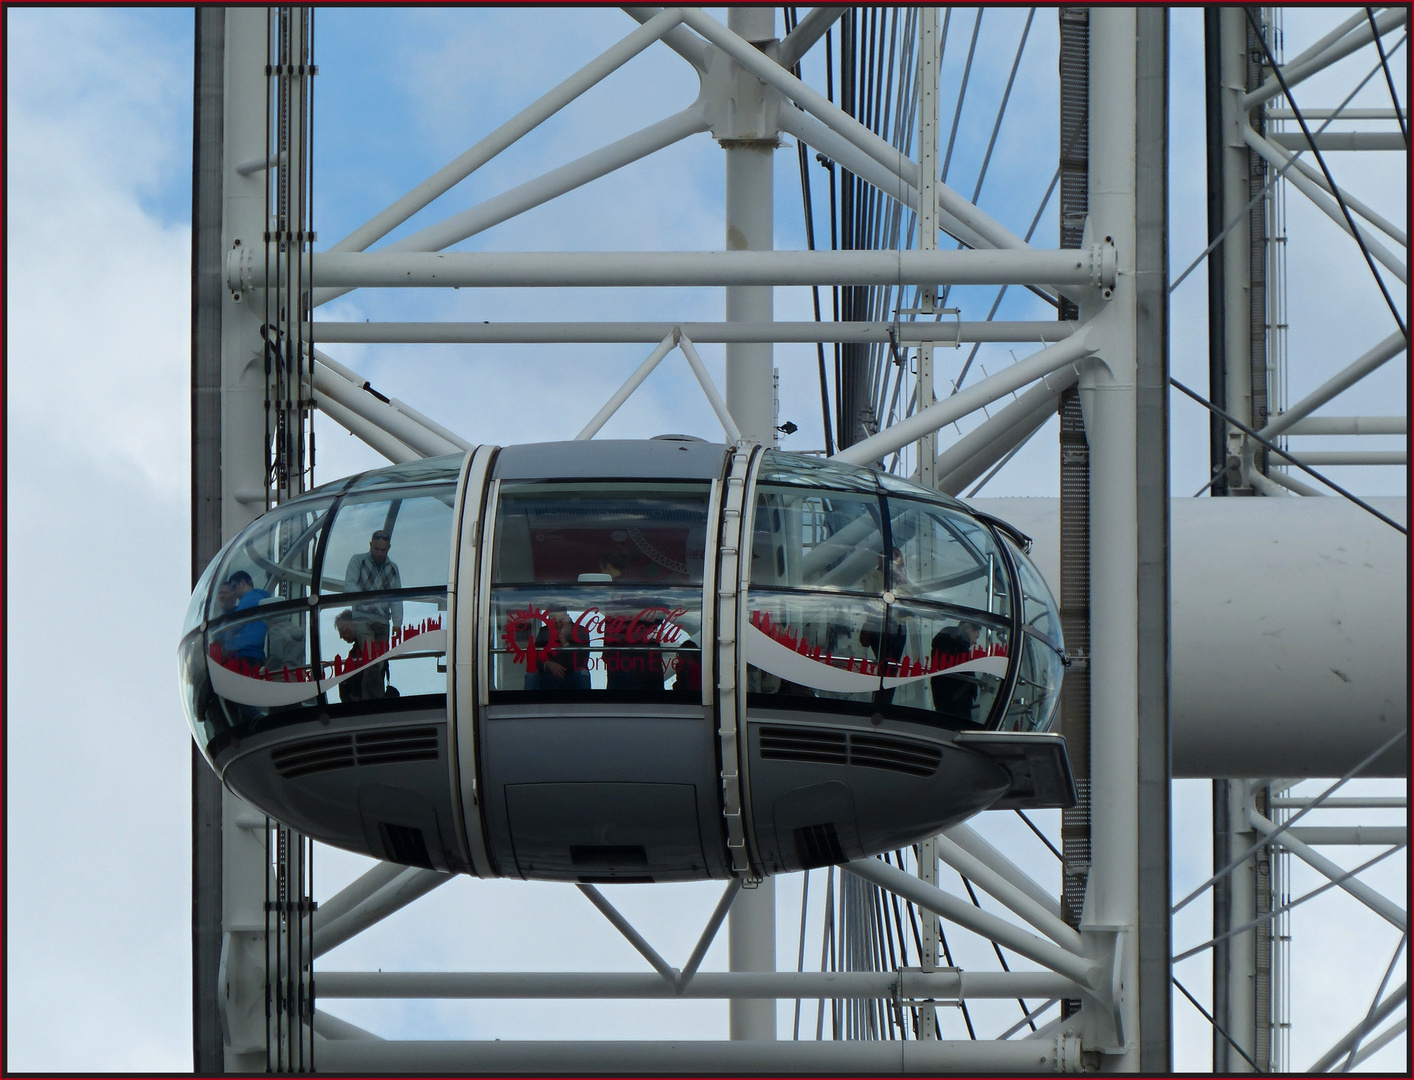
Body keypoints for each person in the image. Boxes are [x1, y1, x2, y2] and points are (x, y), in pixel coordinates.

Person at [345, 530, 402, 694]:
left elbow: (396, 597)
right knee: (372, 660)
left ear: (388, 548)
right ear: (370, 545)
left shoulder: (392, 568)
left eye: (383, 550)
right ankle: (375, 700)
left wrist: (397, 622)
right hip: (362, 619)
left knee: (379, 663)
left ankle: (368, 699)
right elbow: (349, 585)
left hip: (383, 621)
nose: (379, 553)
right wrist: (368, 602)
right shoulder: (358, 561)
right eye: (376, 549)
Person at [930, 620, 982, 722]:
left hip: (945, 699)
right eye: (976, 637)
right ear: (969, 629)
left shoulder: (945, 640)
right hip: (957, 702)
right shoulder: (959, 646)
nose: (975, 642)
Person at [525, 610, 591, 691]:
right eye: (555, 621)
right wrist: (548, 664)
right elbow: (535, 656)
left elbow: (582, 660)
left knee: (582, 672)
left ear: (568, 618)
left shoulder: (581, 631)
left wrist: (564, 641)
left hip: (572, 672)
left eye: (561, 620)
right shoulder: (544, 631)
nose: (559, 624)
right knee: (531, 674)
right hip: (550, 674)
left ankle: (585, 702)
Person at [222, 570, 271, 672]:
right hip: (254, 653)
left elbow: (235, 623)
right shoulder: (257, 597)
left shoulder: (250, 598)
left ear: (243, 583)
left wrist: (223, 636)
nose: (234, 593)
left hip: (245, 653)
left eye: (234, 587)